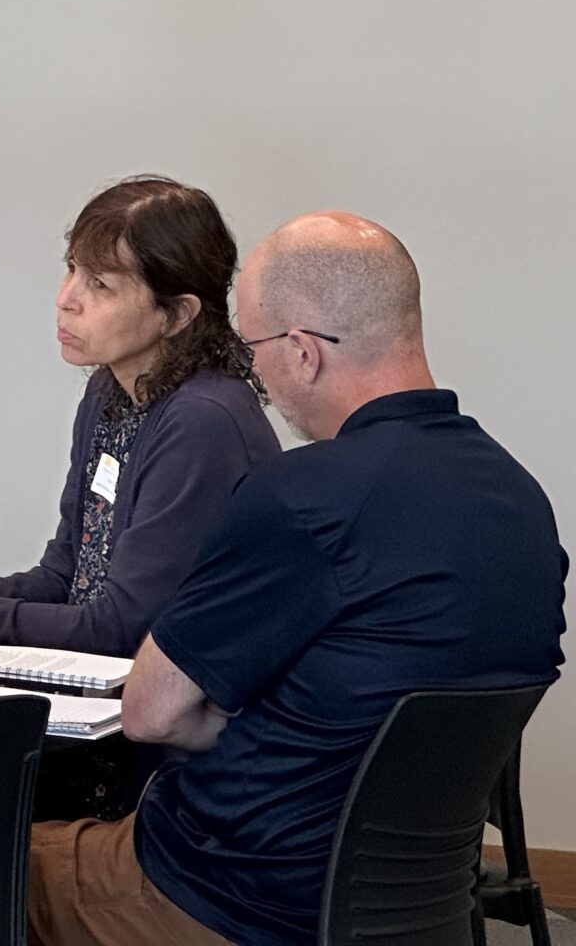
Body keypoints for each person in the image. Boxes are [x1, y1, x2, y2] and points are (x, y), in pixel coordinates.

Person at [29, 213, 566, 946]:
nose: (258, 380)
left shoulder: (305, 496)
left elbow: (153, 714)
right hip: (408, 908)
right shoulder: (521, 503)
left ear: (303, 353)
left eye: (254, 353)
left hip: (219, 899)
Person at [0, 177, 277, 653]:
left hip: (165, 713)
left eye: (99, 284)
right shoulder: (110, 392)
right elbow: (64, 577)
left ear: (177, 314)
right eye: (72, 269)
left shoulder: (202, 421)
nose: (66, 299)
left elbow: (120, 630)